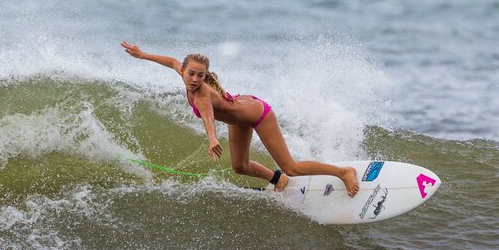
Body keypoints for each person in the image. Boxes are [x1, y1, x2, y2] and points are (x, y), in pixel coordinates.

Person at [120, 42, 359, 196]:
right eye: (191, 73)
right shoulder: (184, 73)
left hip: (258, 115)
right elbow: (171, 61)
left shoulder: (202, 95)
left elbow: (208, 116)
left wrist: (212, 138)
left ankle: (343, 172)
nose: (194, 79)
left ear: (206, 76)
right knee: (239, 166)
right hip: (239, 114)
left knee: (292, 166)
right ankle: (279, 181)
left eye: (200, 76)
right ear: (185, 70)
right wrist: (142, 55)